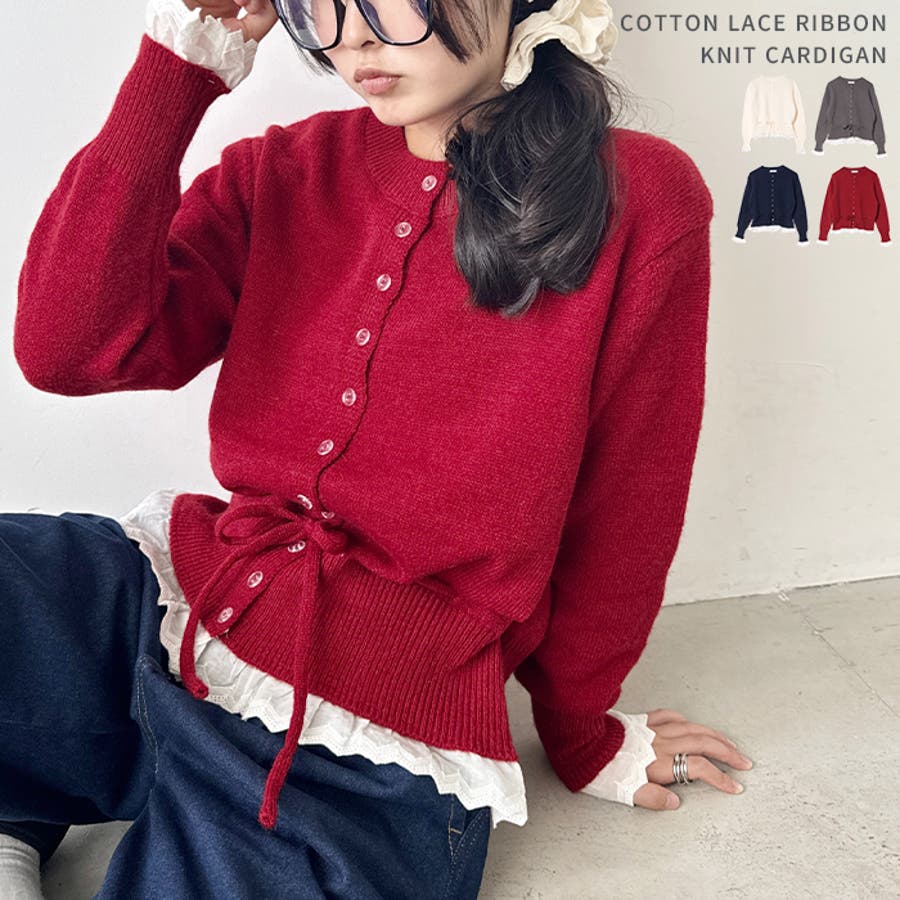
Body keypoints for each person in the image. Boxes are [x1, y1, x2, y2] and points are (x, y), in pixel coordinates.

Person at [0, 0, 753, 896]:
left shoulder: (640, 196)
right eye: (316, 1)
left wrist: (580, 727)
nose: (347, 34)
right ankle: (23, 810)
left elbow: (628, 495)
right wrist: (176, 77)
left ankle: (35, 794)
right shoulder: (284, 169)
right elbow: (69, 351)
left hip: (370, 727)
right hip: (181, 608)